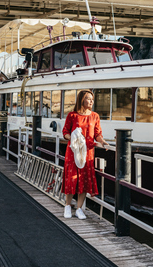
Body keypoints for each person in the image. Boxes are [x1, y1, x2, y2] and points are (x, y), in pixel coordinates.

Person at [62, 90, 109, 219]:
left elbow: (98, 134)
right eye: (88, 99)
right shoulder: (72, 115)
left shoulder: (95, 116)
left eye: (92, 99)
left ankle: (79, 208)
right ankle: (67, 206)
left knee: (83, 179)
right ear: (82, 100)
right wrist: (72, 137)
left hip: (88, 153)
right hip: (73, 151)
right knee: (71, 178)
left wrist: (103, 142)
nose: (91, 101)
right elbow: (65, 131)